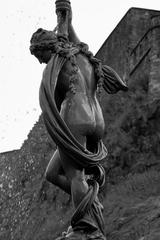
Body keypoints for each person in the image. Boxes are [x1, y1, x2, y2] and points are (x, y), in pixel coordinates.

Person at [30, 1, 127, 237]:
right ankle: (90, 204)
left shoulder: (55, 64)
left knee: (76, 175)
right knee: (52, 173)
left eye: (38, 54)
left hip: (75, 113)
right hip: (97, 119)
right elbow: (66, 30)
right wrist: (64, 16)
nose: (40, 61)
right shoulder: (82, 54)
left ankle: (87, 227)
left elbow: (50, 100)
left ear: (46, 48)